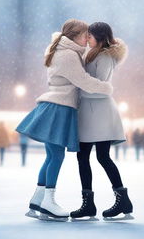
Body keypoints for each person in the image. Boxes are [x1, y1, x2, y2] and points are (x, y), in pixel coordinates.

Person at [16, 19, 113, 222]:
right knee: (56, 156)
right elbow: (83, 81)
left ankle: (39, 198)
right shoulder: (68, 55)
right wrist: (106, 87)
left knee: (51, 156)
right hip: (59, 108)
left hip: (56, 106)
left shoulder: (65, 51)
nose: (87, 39)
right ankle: (49, 201)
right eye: (85, 35)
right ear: (76, 36)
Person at [70, 22, 133, 221]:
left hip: (100, 113)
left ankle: (122, 200)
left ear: (100, 37)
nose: (87, 39)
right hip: (90, 113)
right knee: (84, 157)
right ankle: (88, 204)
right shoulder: (93, 53)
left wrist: (79, 83)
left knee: (102, 157)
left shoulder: (104, 56)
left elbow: (100, 86)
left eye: (90, 36)